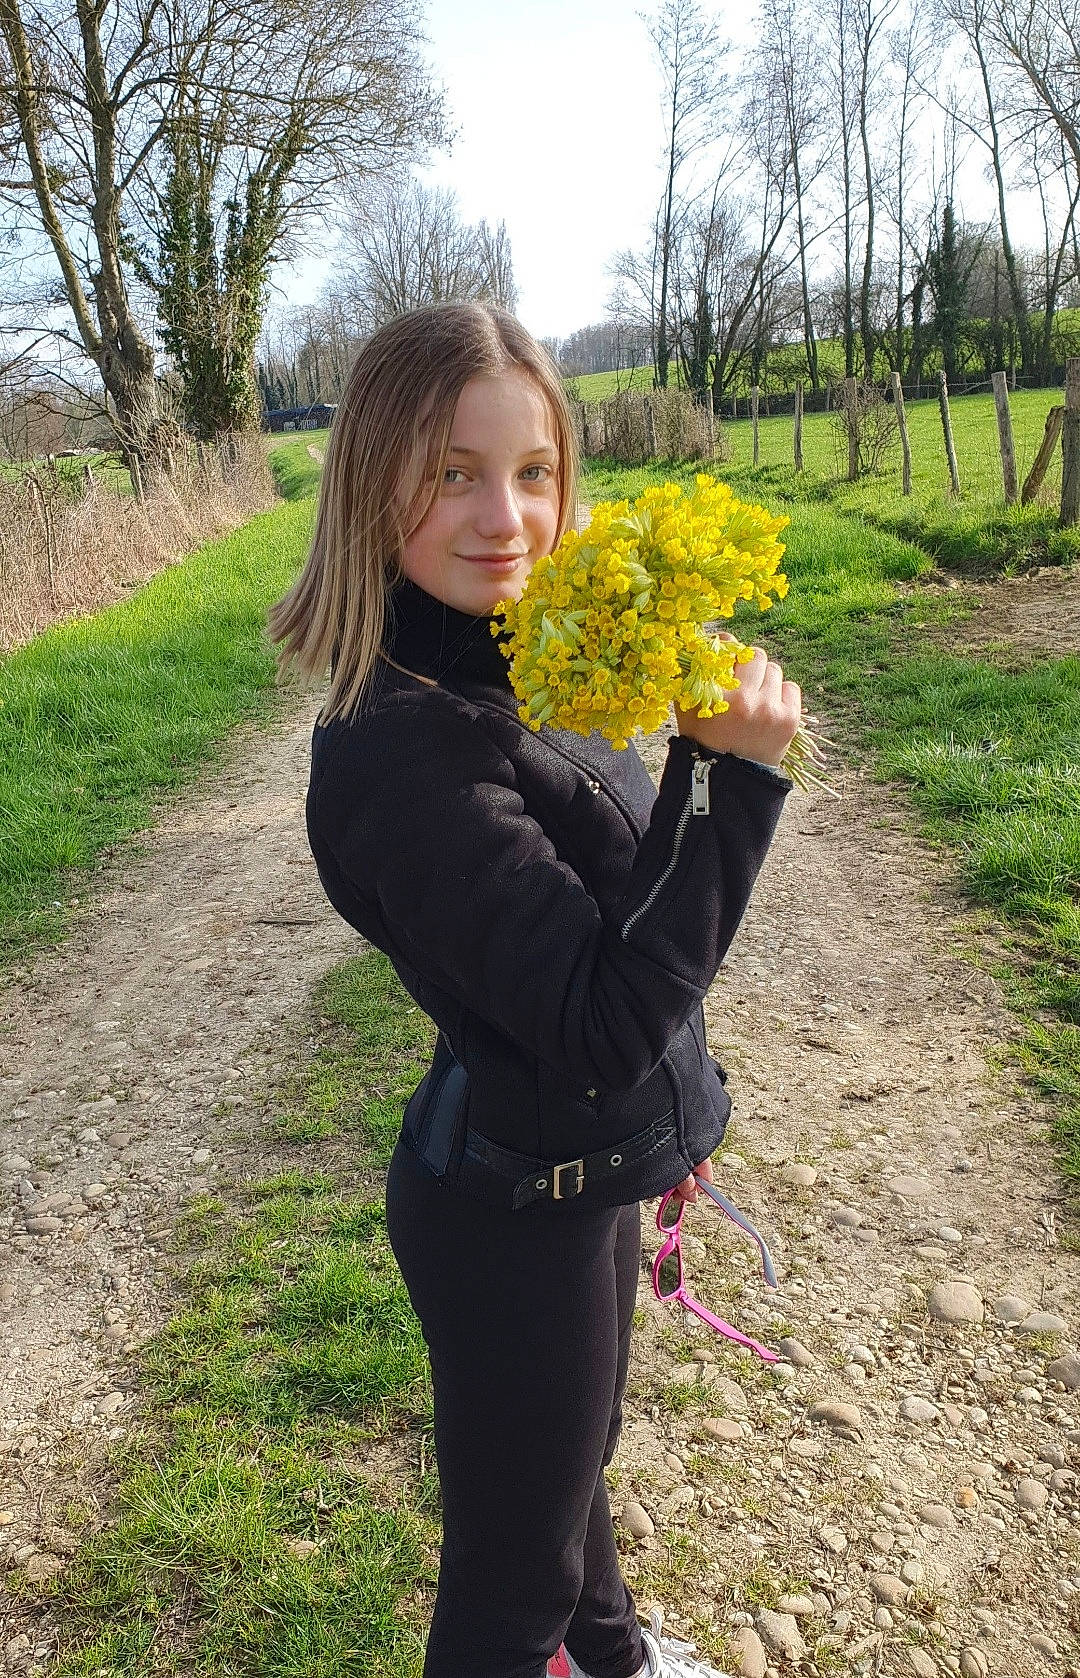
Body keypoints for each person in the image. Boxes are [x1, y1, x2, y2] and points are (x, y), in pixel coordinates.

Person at [267, 300, 801, 1678]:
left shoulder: (513, 663)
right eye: (451, 470)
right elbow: (605, 1024)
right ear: (371, 475)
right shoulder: (404, 755)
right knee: (511, 1584)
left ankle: (616, 1659)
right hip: (514, 1214)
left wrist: (675, 725)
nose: (506, 514)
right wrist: (738, 782)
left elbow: (613, 917)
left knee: (567, 1476)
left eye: (535, 470)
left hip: (565, 1176)